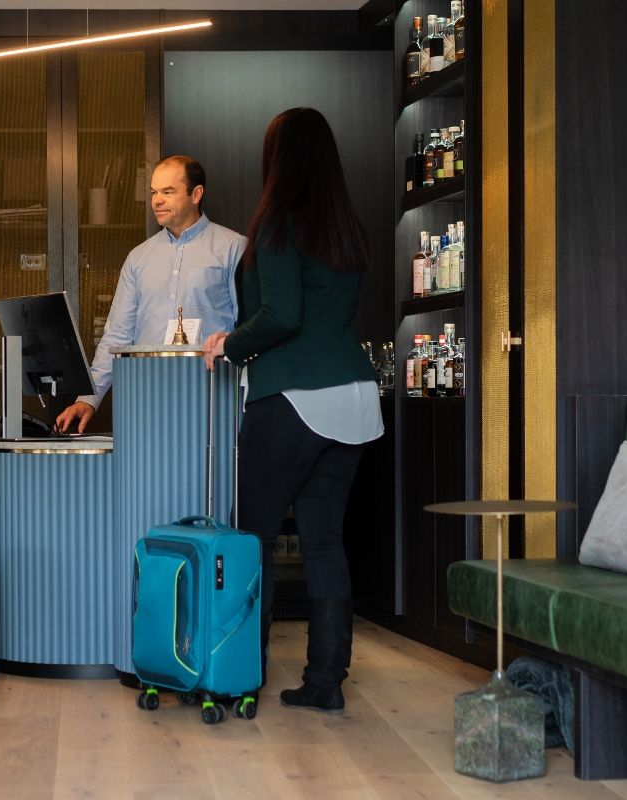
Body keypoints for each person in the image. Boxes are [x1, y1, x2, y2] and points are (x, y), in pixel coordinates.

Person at [203, 108, 384, 713]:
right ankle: (325, 682)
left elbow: (283, 315)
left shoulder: (278, 224)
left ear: (277, 160)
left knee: (252, 535)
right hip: (355, 400)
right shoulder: (346, 228)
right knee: (324, 544)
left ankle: (239, 673)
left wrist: (228, 344)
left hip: (293, 399)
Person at [53, 155, 245, 433]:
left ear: (196, 194)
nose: (157, 200)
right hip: (148, 403)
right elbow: (118, 334)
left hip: (214, 401)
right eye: (154, 192)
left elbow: (249, 328)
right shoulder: (138, 258)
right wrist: (89, 400)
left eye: (168, 192)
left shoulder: (234, 249)